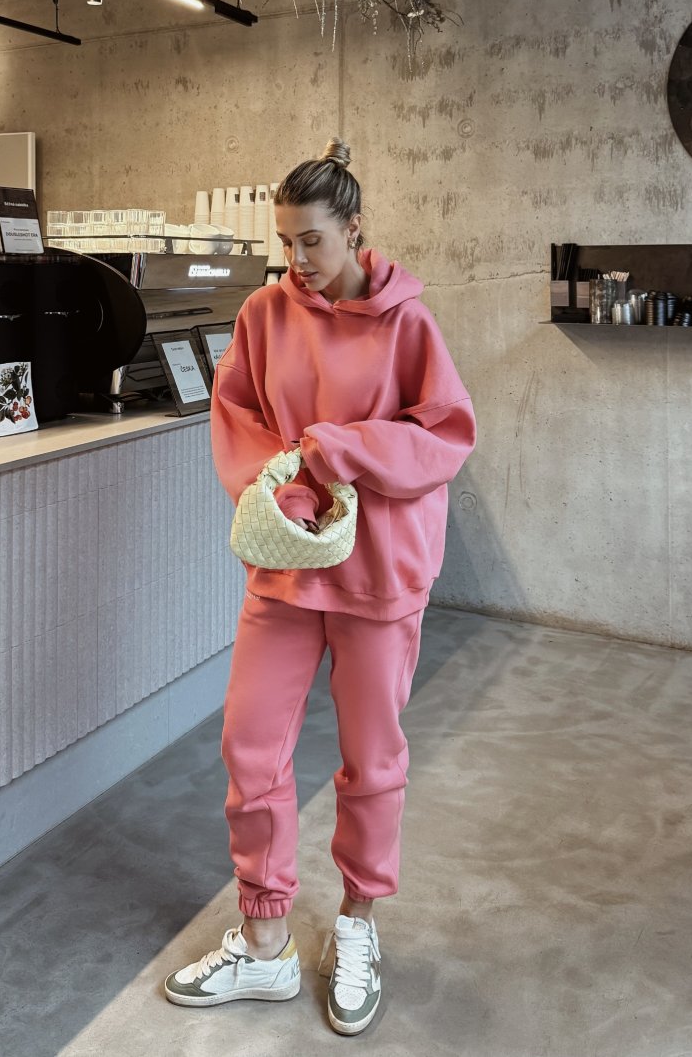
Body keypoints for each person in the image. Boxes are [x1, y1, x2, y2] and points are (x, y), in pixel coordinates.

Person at [164, 138, 476, 1035]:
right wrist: (289, 486)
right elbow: (238, 415)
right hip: (289, 562)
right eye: (285, 241)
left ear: (355, 229)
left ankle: (358, 925)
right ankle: (265, 941)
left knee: (372, 760)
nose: (296, 259)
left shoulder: (408, 323)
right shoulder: (264, 313)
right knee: (250, 742)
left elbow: (446, 434)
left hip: (379, 571)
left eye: (312, 240)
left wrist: (343, 447)